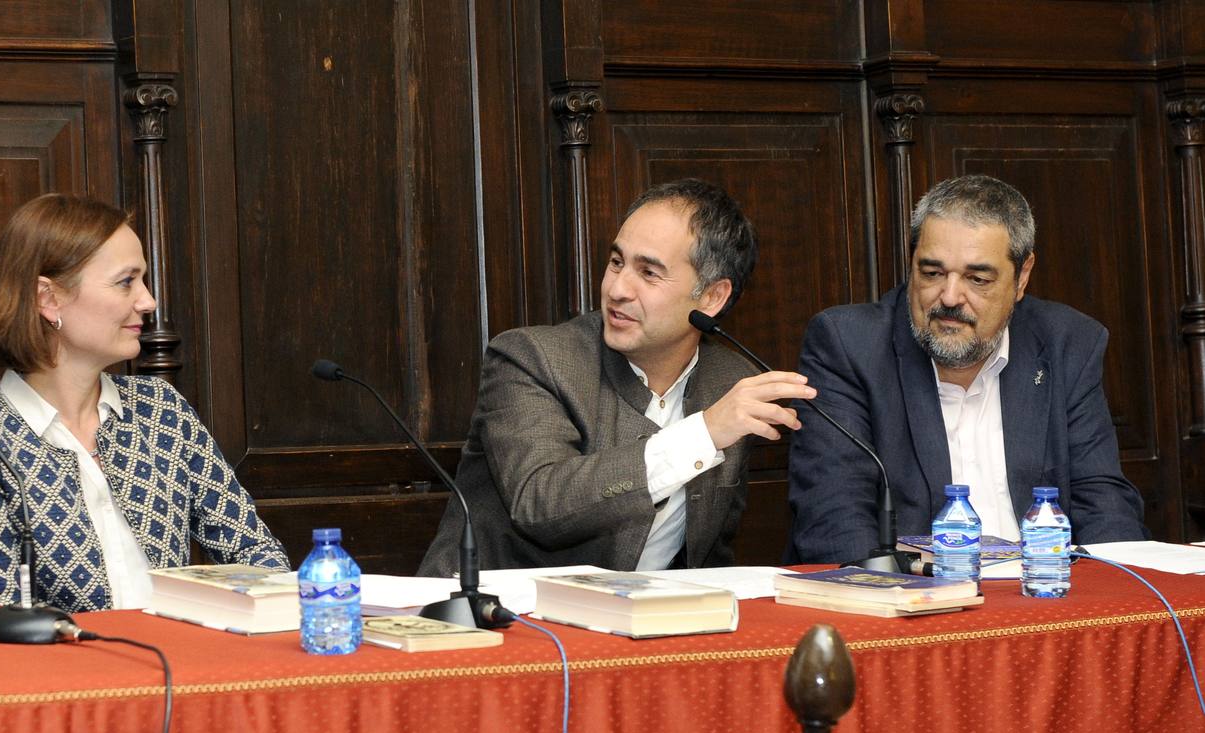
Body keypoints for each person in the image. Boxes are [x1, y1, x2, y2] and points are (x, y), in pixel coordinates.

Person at [418, 178, 815, 576]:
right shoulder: (532, 358)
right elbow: (540, 503)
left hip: (649, 610)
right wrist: (703, 434)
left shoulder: (730, 383)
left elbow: (709, 552)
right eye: (616, 262)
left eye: (649, 272)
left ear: (711, 297)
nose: (617, 288)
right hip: (497, 608)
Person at [0, 194, 289, 619]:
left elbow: (256, 554)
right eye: (126, 282)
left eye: (143, 280)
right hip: (68, 663)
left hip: (185, 656)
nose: (148, 302)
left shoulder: (160, 410)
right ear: (48, 299)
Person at [786, 174, 1146, 563]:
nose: (950, 297)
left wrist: (1114, 588)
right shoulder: (850, 346)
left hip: (1042, 585)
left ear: (1022, 277)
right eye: (932, 273)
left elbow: (1104, 504)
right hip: (914, 591)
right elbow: (833, 519)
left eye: (977, 279)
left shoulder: (1067, 343)